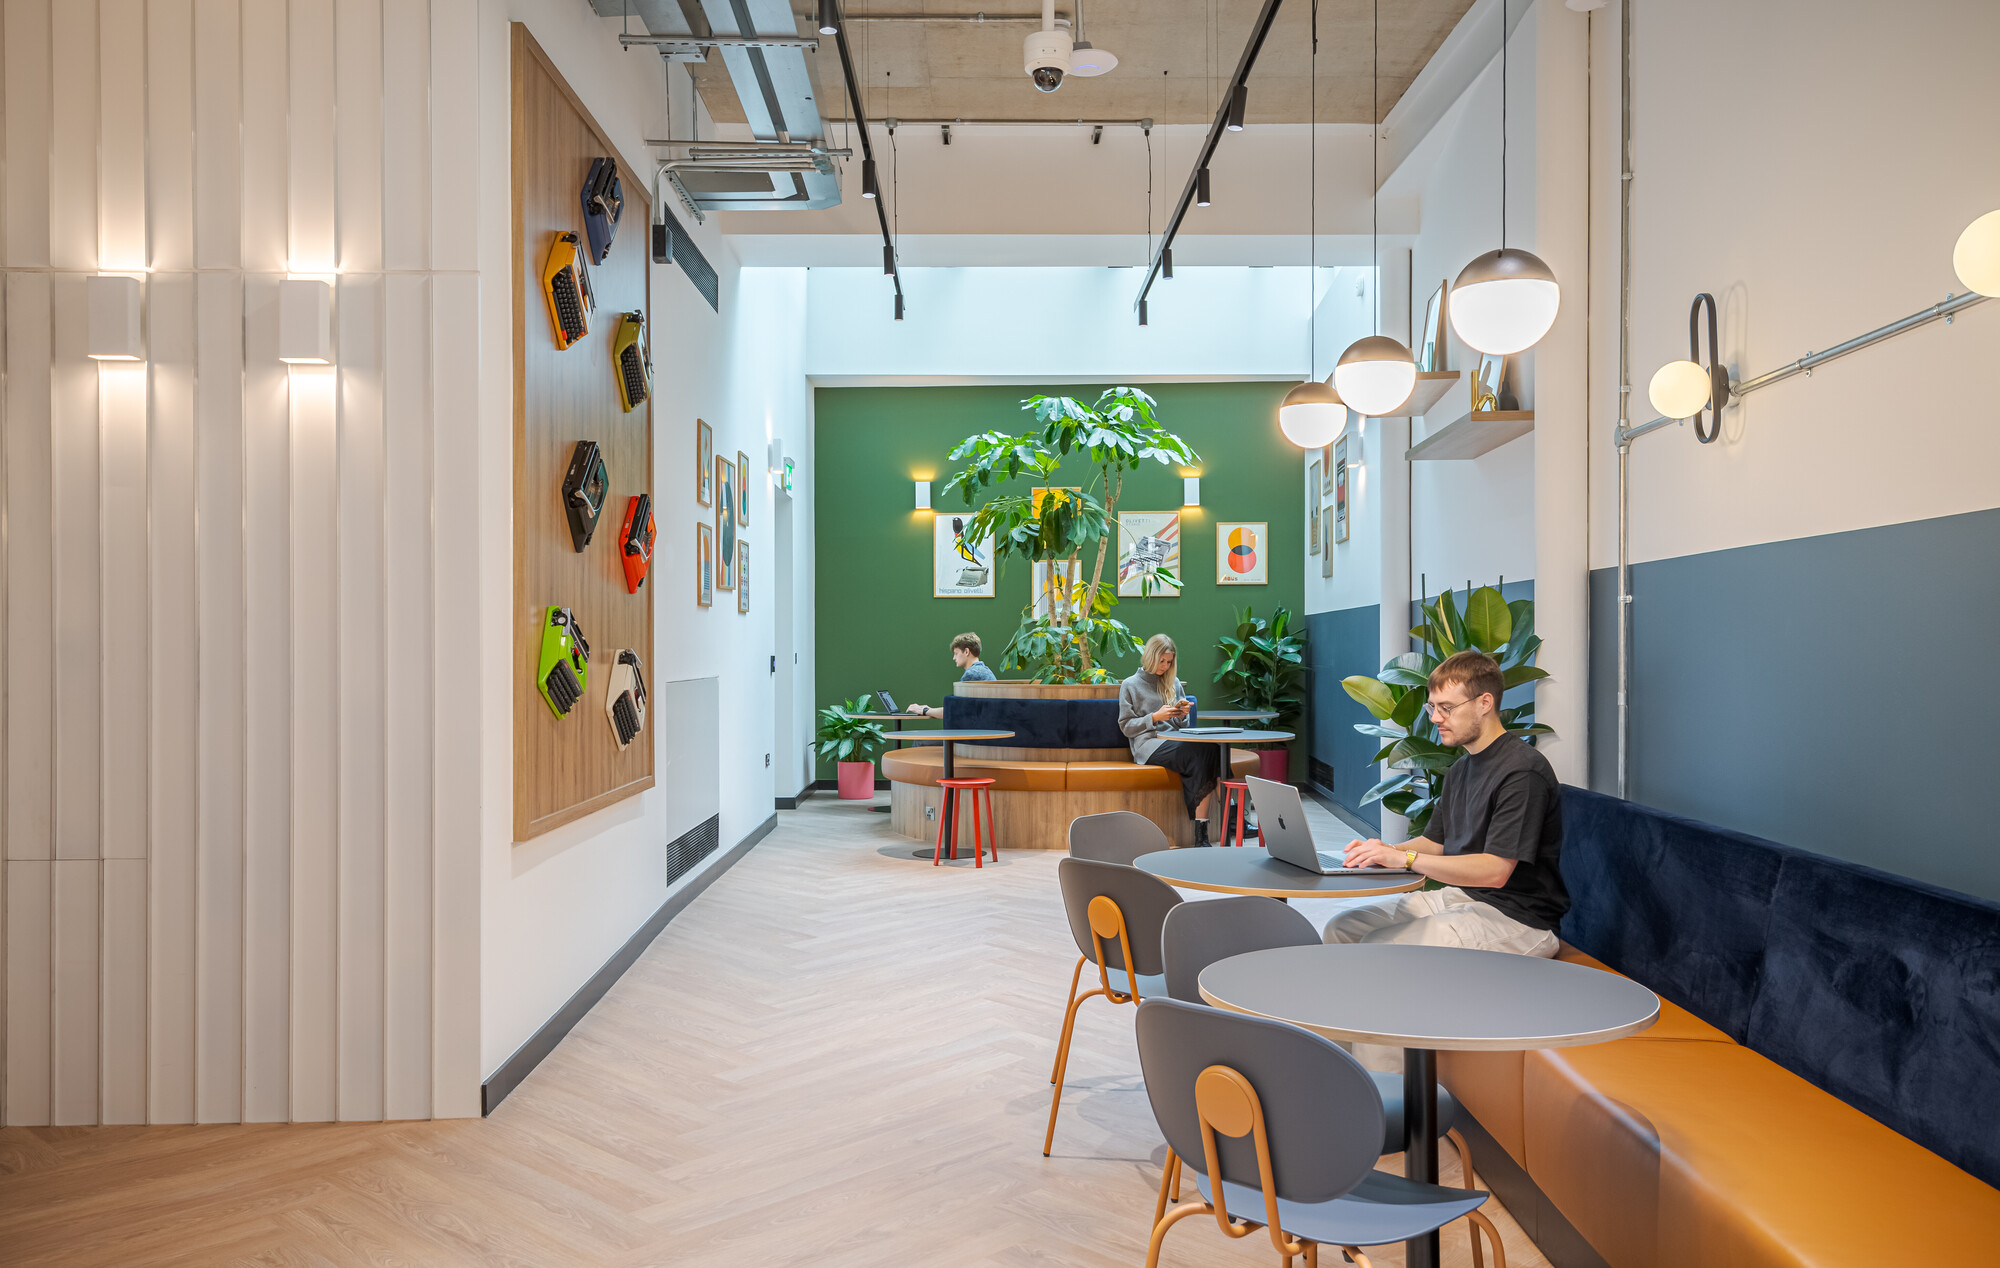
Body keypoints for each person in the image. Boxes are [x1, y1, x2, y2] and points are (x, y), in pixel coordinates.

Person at [1324, 649, 1568, 957]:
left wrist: (1405, 859)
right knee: (1341, 929)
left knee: (1380, 951)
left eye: (1447, 708)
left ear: (1484, 703)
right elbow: (1434, 842)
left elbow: (1495, 871)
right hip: (1464, 898)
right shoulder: (1461, 768)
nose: (1436, 718)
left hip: (1518, 919)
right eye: (1432, 707)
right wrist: (1385, 851)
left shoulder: (1522, 771)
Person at [1118, 634, 1217, 846]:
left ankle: (1202, 832)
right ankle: (1210, 830)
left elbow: (1183, 726)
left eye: (1169, 662)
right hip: (1148, 744)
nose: (1165, 666)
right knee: (1198, 754)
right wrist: (1154, 717)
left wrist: (1182, 714)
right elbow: (1126, 726)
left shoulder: (1173, 683)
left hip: (1174, 740)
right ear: (1150, 657)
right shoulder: (1130, 685)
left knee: (1212, 750)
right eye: (1161, 661)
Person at [906, 632, 996, 717]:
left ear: (966, 652)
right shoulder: (985, 670)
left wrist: (925, 710)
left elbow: (954, 711)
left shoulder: (971, 674)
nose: (954, 658)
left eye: (956, 653)